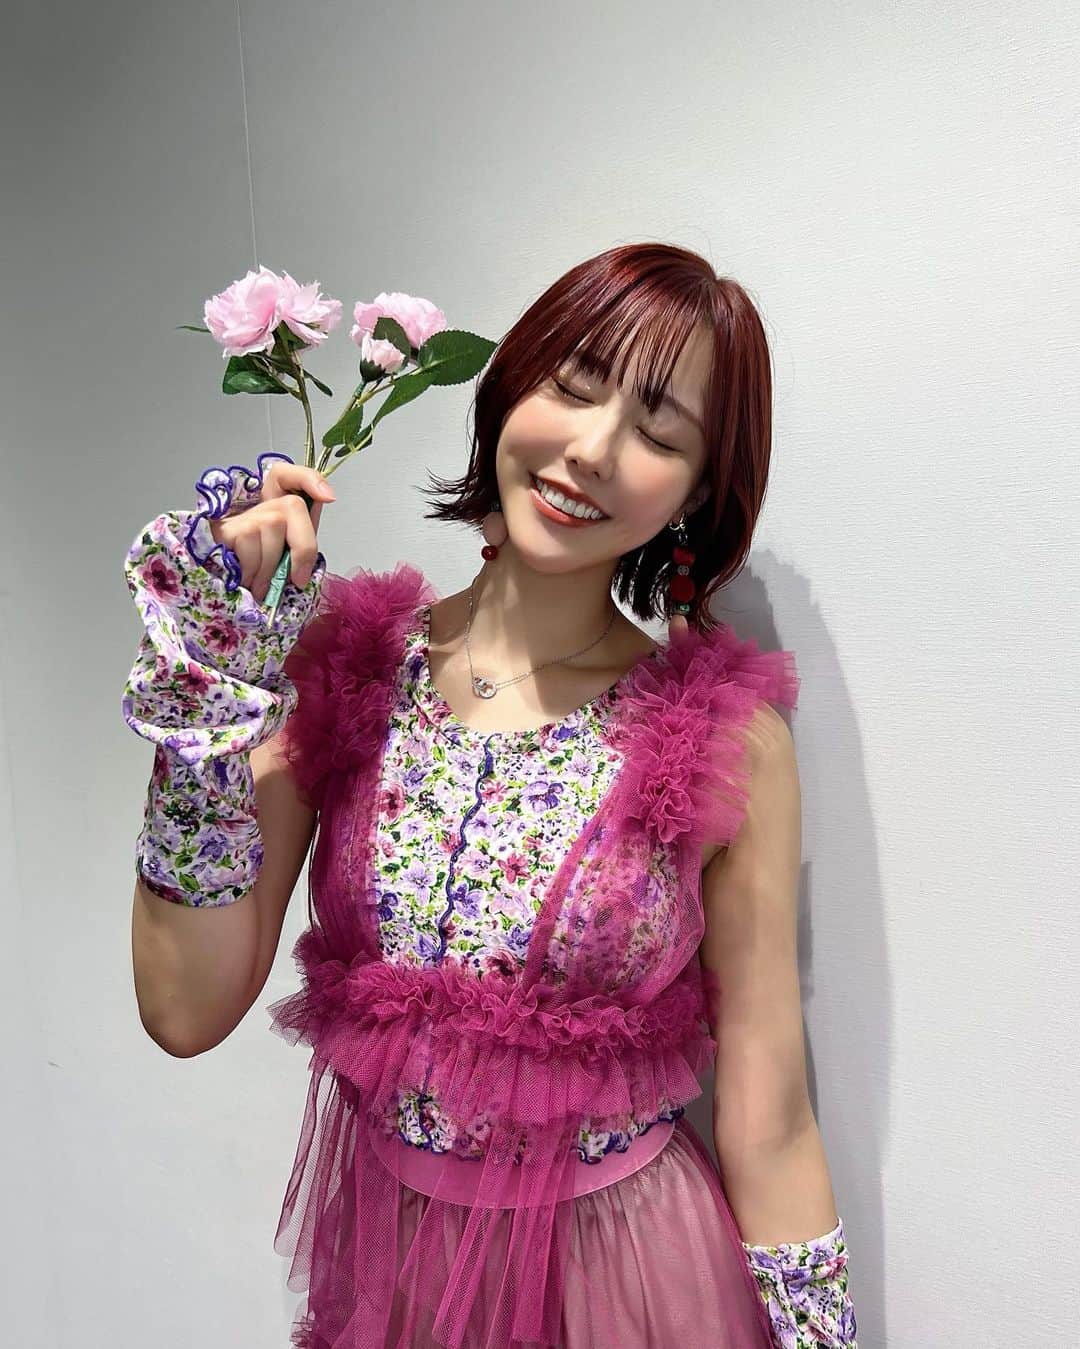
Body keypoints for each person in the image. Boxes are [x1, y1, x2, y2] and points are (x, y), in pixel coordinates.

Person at [122, 243, 857, 1348]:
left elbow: (772, 1119)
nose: (594, 450)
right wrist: (212, 683)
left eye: (660, 434)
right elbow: (184, 1009)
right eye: (575, 385)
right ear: (510, 385)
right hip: (401, 1279)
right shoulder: (350, 667)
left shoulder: (723, 736)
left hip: (628, 1284)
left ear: (698, 491)